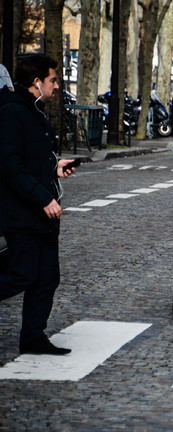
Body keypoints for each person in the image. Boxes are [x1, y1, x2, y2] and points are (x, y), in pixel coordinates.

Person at [0, 54, 78, 356]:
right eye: (53, 80)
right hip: (23, 213)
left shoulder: (34, 111)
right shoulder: (12, 112)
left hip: (41, 215)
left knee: (47, 278)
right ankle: (32, 336)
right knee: (22, 275)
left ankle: (33, 337)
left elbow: (31, 160)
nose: (56, 86)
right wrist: (43, 197)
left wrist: (55, 167)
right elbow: (9, 165)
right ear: (37, 82)